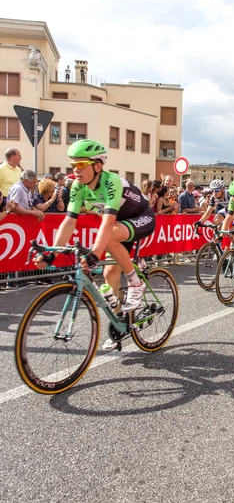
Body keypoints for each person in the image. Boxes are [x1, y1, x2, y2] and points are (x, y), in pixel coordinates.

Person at [34, 139, 156, 350]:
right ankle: (121, 322)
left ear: (97, 165)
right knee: (109, 276)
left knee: (107, 239)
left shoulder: (111, 182)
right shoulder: (77, 187)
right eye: (73, 165)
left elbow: (107, 223)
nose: (76, 169)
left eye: (81, 165)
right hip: (118, 229)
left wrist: (93, 256)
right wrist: (52, 253)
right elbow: (69, 221)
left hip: (141, 218)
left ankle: (136, 283)